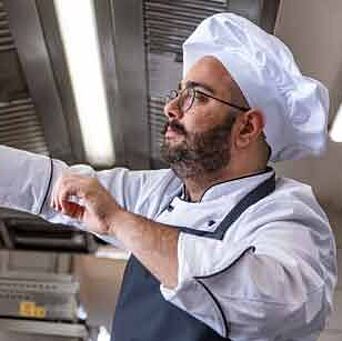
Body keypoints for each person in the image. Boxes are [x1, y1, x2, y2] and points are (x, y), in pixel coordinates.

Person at [0, 13, 337, 341]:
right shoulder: (165, 192)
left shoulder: (287, 213)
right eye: (179, 92)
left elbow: (273, 303)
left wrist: (120, 222)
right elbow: (57, 188)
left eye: (198, 97)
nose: (171, 108)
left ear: (247, 127)